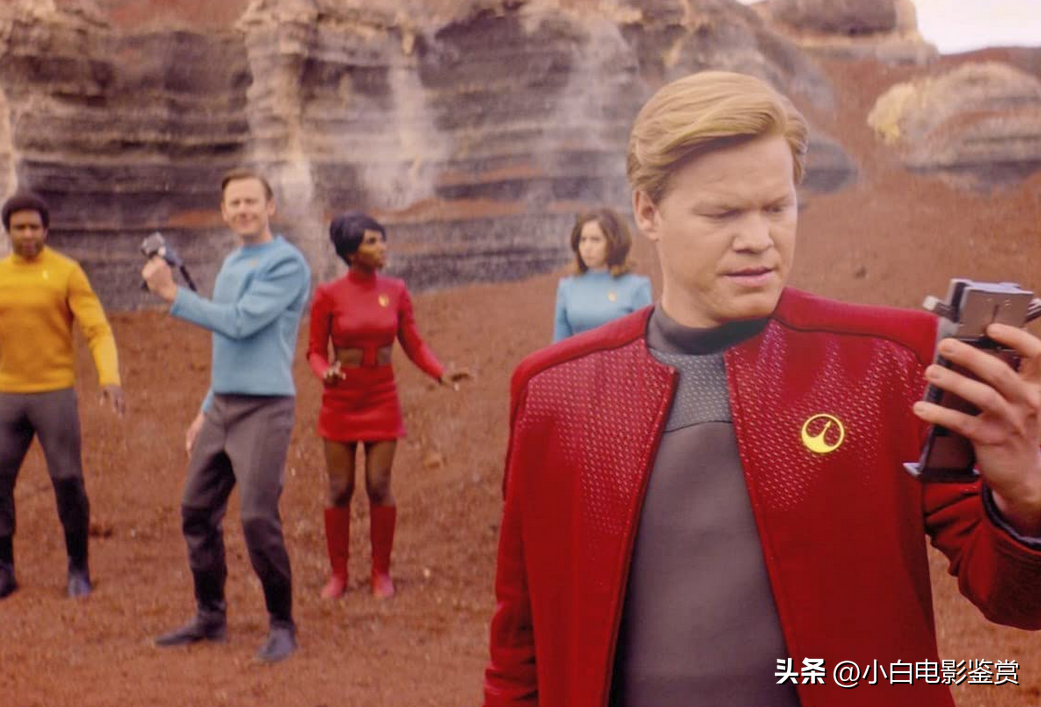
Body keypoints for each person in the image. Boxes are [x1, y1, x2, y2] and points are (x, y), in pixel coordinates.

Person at [482, 71, 1041, 707]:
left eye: (777, 207)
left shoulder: (894, 362)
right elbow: (519, 655)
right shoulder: (551, 393)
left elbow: (1017, 600)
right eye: (723, 213)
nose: (758, 239)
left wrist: (1025, 502)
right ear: (647, 212)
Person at [142, 168, 311, 663]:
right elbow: (227, 346)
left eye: (251, 201)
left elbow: (239, 324)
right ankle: (210, 616)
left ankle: (282, 625)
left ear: (270, 206)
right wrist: (205, 409)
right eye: (234, 203)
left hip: (265, 408)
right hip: (223, 406)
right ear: (223, 211)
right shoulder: (233, 263)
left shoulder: (287, 263)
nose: (243, 210)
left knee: (257, 518)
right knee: (196, 510)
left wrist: (173, 295)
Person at [307, 212, 458, 600]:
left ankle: (381, 573)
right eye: (372, 242)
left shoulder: (396, 290)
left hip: (381, 397)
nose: (382, 248)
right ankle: (338, 574)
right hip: (341, 399)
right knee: (340, 488)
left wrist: (440, 372)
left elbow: (413, 343)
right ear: (351, 252)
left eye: (382, 240)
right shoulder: (328, 294)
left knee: (379, 485)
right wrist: (325, 373)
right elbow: (314, 352)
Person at [0, 191, 125, 600]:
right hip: (6, 395)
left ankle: (78, 567)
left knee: (68, 480)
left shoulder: (67, 272)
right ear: (8, 231)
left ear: (47, 229)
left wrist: (110, 377)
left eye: (34, 227)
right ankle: (4, 569)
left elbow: (97, 328)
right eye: (19, 228)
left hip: (53, 394)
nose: (27, 234)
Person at [552, 208, 652, 342]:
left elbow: (646, 343)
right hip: (580, 357)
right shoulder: (567, 287)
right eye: (583, 240)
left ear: (614, 243)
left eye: (595, 240)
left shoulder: (637, 288)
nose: (587, 247)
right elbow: (559, 345)